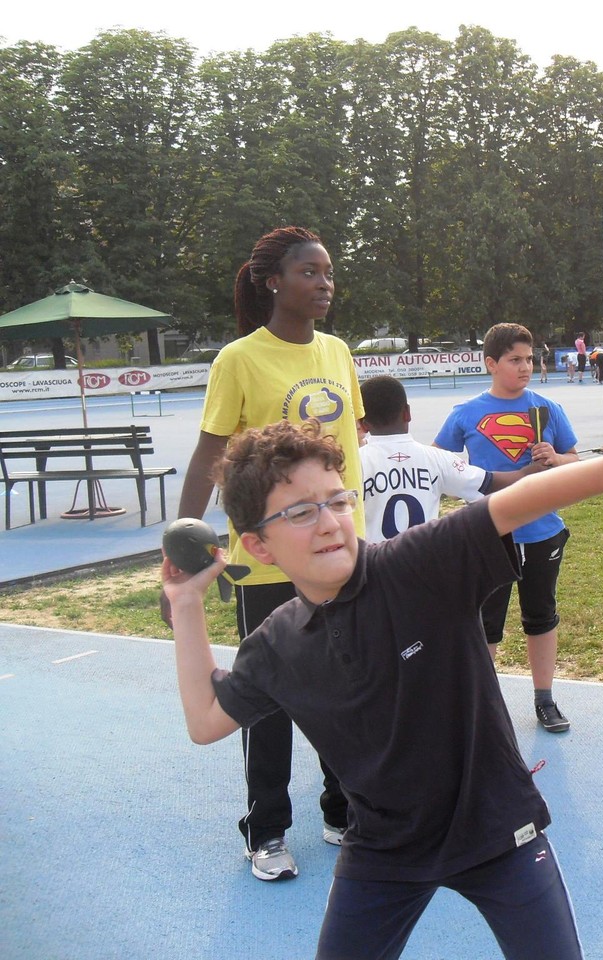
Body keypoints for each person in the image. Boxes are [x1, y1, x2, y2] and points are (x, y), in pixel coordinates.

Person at [163, 419, 603, 960]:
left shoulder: (415, 566)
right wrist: (185, 603)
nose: (328, 524)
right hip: (383, 850)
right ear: (257, 545)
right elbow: (206, 721)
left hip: (495, 830)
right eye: (300, 512)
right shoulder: (279, 644)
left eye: (339, 502)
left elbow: (514, 502)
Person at [164, 225, 364, 881]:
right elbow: (210, 453)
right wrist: (189, 538)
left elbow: (348, 445)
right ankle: (267, 830)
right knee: (270, 695)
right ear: (274, 281)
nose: (324, 282)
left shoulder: (338, 352)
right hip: (271, 559)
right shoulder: (239, 360)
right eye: (310, 271)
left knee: (348, 683)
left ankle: (344, 810)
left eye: (328, 271)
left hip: (340, 550)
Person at [434, 323, 581, 733]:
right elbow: (438, 463)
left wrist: (555, 458)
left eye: (530, 359)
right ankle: (482, 705)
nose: (525, 367)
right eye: (515, 360)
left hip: (542, 532)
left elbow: (574, 460)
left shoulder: (547, 408)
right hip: (488, 534)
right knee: (485, 623)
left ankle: (545, 700)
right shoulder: (465, 413)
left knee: (541, 615)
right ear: (491, 364)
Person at [358, 375, 529, 542]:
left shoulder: (354, 463)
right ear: (407, 413)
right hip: (422, 562)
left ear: (363, 423)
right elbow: (490, 483)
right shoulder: (437, 459)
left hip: (375, 565)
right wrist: (530, 471)